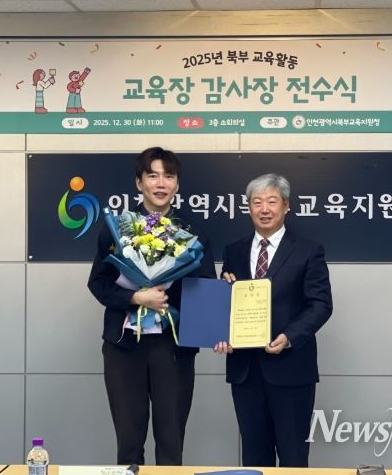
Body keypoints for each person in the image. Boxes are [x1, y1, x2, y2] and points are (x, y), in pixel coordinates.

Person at [88, 147, 215, 466]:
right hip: (124, 348)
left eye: (168, 176)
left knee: (171, 443)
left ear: (177, 184)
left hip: (173, 349)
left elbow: (205, 287)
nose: (161, 183)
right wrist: (136, 298)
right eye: (153, 176)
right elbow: (98, 283)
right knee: (128, 443)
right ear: (139, 182)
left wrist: (213, 328)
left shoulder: (192, 231)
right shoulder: (118, 228)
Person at [214, 173, 333, 468]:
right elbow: (228, 302)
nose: (264, 209)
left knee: (293, 458)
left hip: (291, 368)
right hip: (245, 371)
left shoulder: (308, 250)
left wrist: (289, 337)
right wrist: (221, 330)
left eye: (271, 201)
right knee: (254, 458)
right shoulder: (234, 251)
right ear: (248, 207)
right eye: (257, 202)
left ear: (286, 205)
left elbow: (320, 304)